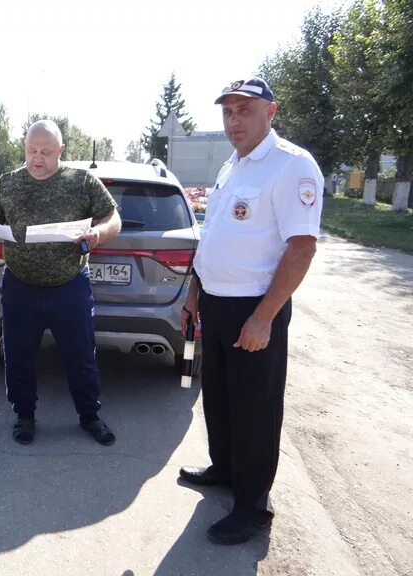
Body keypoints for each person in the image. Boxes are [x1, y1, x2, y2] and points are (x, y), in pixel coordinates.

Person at [179, 78, 324, 544]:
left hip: (254, 310)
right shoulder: (232, 165)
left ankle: (253, 506)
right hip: (217, 303)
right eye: (228, 112)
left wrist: (263, 317)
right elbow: (217, 232)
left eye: (245, 110)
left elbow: (301, 249)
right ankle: (225, 469)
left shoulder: (290, 167)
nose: (234, 120)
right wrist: (196, 287)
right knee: (218, 397)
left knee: (255, 409)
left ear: (271, 112)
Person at [0, 120, 122, 446]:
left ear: (61, 151)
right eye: (31, 151)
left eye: (46, 152)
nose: (37, 159)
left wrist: (97, 233)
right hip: (21, 286)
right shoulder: (7, 184)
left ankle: (89, 416)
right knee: (18, 354)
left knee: (80, 355)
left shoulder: (81, 182)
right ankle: (24, 415)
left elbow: (113, 218)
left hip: (70, 286)